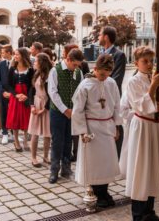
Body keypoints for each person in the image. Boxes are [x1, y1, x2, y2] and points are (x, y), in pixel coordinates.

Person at [119, 46, 159, 221]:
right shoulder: (134, 82)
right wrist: (153, 87)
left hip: (155, 128)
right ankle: (138, 214)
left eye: (151, 61)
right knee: (141, 169)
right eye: (145, 61)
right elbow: (139, 105)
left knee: (153, 169)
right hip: (142, 128)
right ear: (136, 63)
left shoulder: (157, 81)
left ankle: (150, 212)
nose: (149, 64)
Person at [72, 54, 121, 208]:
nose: (104, 78)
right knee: (94, 164)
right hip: (91, 129)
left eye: (107, 75)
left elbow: (117, 105)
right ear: (95, 69)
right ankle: (97, 193)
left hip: (107, 127)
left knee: (106, 162)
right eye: (101, 74)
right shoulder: (85, 85)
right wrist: (82, 132)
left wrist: (117, 126)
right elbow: (77, 111)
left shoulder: (111, 83)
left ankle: (104, 191)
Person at [47, 48, 84, 184]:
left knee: (69, 139)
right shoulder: (55, 71)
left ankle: (66, 168)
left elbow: (80, 91)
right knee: (57, 141)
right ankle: (54, 170)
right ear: (68, 60)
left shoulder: (78, 72)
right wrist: (64, 109)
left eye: (78, 66)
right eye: (74, 65)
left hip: (72, 111)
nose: (76, 68)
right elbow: (52, 92)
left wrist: (75, 109)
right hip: (57, 111)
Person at [99, 26, 127, 159]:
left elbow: (117, 78)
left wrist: (102, 84)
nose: (98, 37)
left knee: (117, 123)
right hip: (100, 97)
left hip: (113, 95)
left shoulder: (119, 55)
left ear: (106, 37)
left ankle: (118, 156)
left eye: (100, 35)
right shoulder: (102, 54)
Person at [6, 48, 34, 152]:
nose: (15, 56)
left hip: (26, 95)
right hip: (16, 96)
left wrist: (27, 96)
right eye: (15, 54)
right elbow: (8, 85)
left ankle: (26, 141)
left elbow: (32, 85)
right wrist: (16, 95)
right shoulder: (12, 68)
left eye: (17, 54)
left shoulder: (30, 69)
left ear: (23, 55)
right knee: (15, 118)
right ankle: (16, 140)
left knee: (26, 118)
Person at [28, 53, 53, 167]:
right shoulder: (36, 74)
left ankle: (46, 156)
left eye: (36, 61)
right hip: (36, 103)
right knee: (35, 132)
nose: (34, 63)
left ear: (41, 63)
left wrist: (44, 109)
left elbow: (52, 95)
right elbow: (31, 91)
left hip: (46, 105)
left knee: (48, 134)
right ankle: (33, 157)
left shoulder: (49, 76)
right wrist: (32, 106)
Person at [0, 44, 14, 144]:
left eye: (3, 52)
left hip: (13, 94)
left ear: (8, 53)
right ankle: (5, 133)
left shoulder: (16, 63)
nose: (1, 54)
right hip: (3, 93)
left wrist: (12, 93)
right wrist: (3, 92)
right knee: (4, 113)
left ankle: (13, 133)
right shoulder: (1, 64)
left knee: (13, 113)